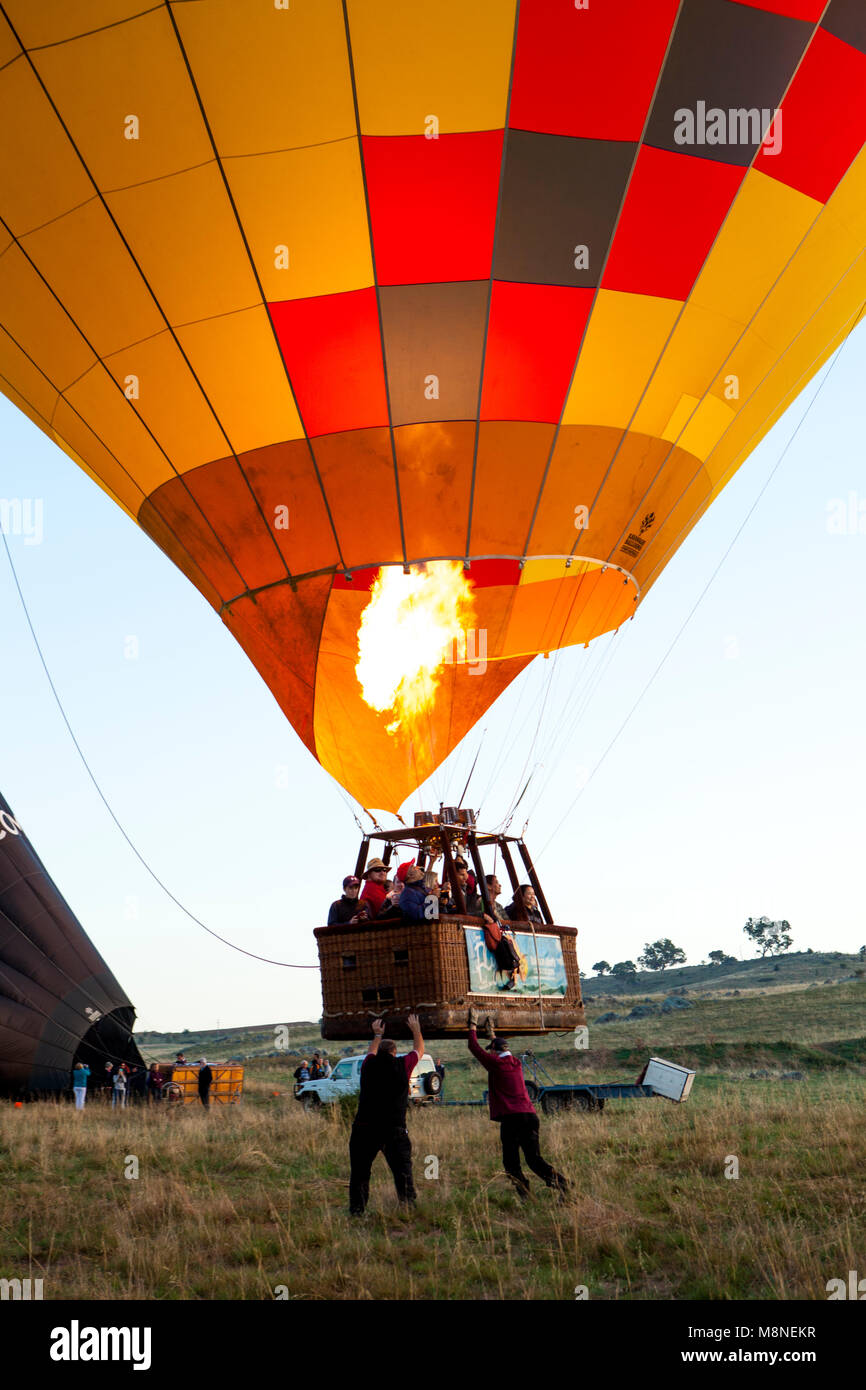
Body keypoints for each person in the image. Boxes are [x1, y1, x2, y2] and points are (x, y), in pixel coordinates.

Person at [467, 1008, 568, 1201]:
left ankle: (526, 1194)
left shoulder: (496, 1064)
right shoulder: (515, 1062)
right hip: (530, 1117)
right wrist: (492, 1035)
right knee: (534, 1160)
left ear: (495, 1052)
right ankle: (563, 1185)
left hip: (512, 1119)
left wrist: (472, 1025)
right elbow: (498, 1052)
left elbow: (473, 1047)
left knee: (511, 1163)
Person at [348, 1013, 424, 1216]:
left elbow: (370, 1052)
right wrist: (416, 1029)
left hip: (364, 1128)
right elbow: (419, 1050)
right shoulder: (402, 1065)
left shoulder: (368, 1066)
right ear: (395, 1052)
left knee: (360, 1172)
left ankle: (357, 1211)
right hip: (393, 1129)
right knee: (402, 1171)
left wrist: (377, 1034)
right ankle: (407, 1208)